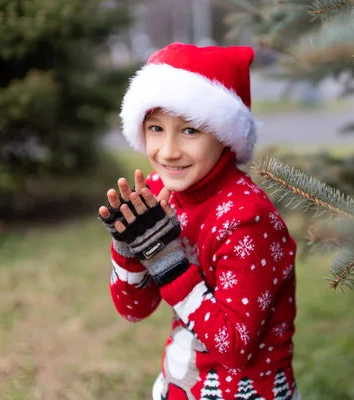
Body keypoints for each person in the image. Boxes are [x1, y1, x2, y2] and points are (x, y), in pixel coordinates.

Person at [97, 42, 299, 400]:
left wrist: (165, 259)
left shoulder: (247, 220)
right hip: (179, 384)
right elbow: (133, 309)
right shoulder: (160, 193)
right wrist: (128, 248)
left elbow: (235, 348)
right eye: (156, 128)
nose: (169, 150)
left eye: (190, 130)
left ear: (224, 134)